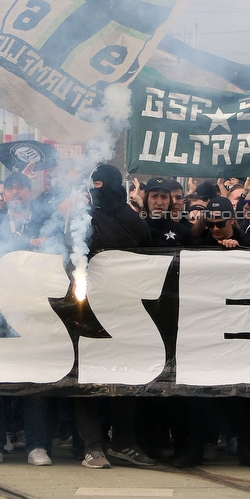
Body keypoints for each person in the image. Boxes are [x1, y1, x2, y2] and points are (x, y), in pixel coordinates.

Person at [74, 164, 153, 470]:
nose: (97, 191)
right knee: (88, 381)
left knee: (127, 379)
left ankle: (122, 443)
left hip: (127, 312)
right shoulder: (82, 220)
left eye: (100, 185)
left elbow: (150, 262)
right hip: (89, 312)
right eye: (93, 185)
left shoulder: (132, 221)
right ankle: (93, 446)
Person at [141, 177, 191, 247]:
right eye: (154, 196)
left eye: (164, 197)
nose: (159, 203)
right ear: (146, 199)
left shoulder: (183, 231)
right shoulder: (136, 228)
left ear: (170, 201)